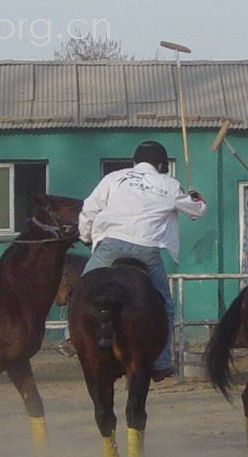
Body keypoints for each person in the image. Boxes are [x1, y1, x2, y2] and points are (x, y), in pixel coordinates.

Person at [78, 140, 207, 382]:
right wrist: (197, 198)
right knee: (165, 304)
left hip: (110, 246)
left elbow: (89, 209)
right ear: (160, 164)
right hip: (147, 251)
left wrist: (86, 236)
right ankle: (161, 361)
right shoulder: (168, 183)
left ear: (134, 162)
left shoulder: (113, 178)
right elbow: (197, 211)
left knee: (82, 290)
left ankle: (69, 336)